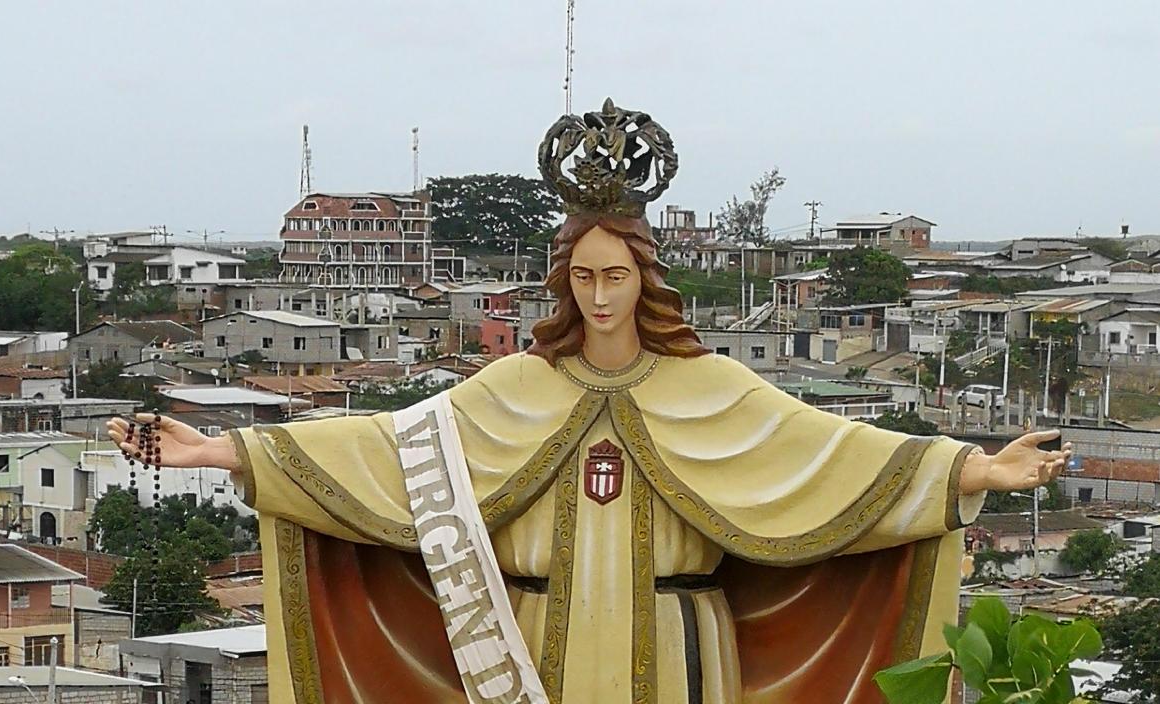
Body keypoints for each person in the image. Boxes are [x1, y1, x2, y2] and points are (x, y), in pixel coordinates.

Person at [109, 100, 1071, 704]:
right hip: (530, 654)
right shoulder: (518, 388)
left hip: (681, 650)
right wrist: (225, 453)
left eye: (616, 274)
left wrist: (973, 466)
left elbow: (832, 458)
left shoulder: (711, 388)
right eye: (583, 275)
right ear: (560, 281)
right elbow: (388, 452)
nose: (599, 295)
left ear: (643, 276)